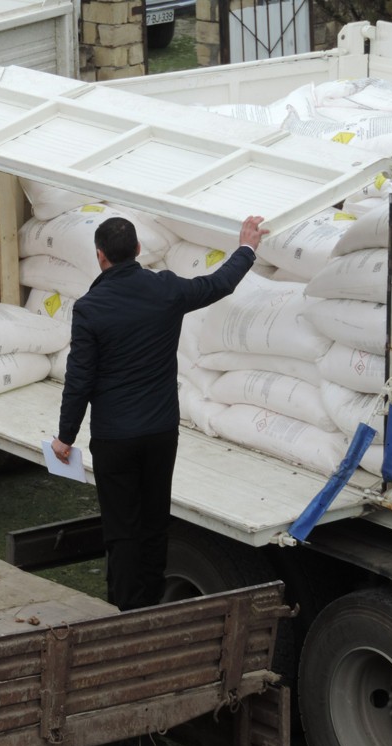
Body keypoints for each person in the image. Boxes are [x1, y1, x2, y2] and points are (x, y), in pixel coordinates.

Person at [51, 215, 267, 610]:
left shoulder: (90, 309)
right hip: (161, 433)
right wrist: (247, 247)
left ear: (100, 256)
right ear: (136, 250)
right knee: (153, 523)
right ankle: (153, 604)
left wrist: (65, 437)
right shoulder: (165, 289)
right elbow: (218, 284)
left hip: (115, 438)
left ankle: (124, 610)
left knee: (121, 530)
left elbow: (79, 379)